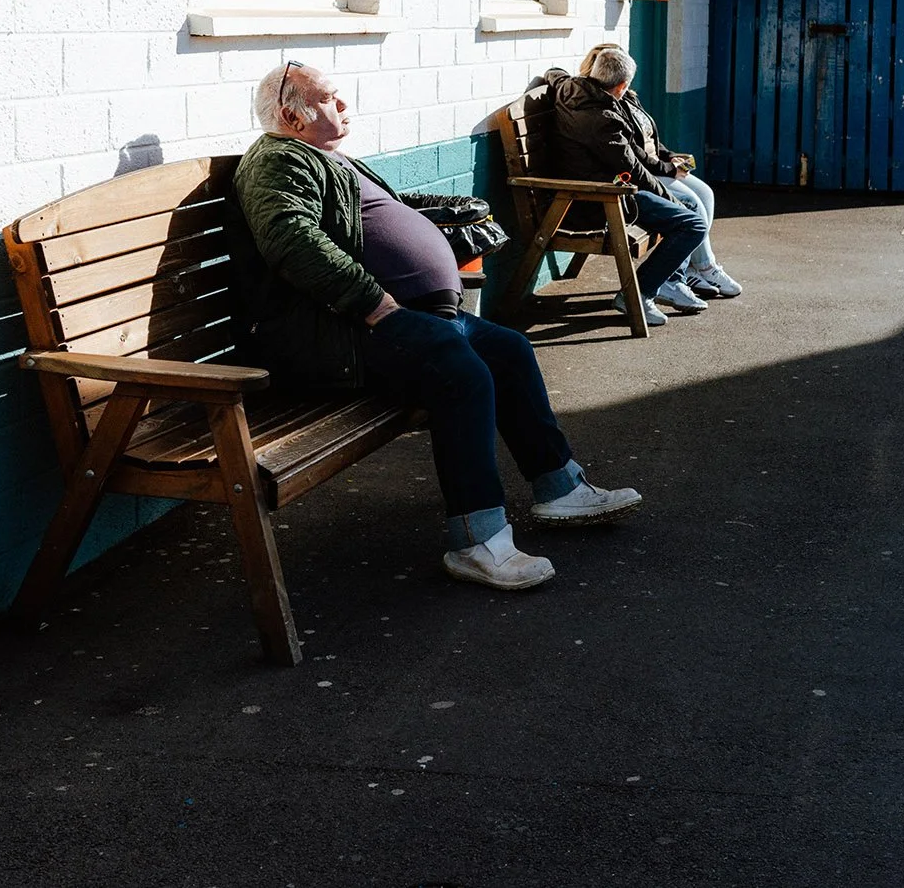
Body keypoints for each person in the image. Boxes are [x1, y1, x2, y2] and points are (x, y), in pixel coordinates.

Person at [225, 61, 642, 593]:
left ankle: (559, 488)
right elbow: (292, 241)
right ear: (292, 114)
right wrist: (375, 304)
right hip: (337, 332)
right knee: (459, 372)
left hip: (398, 317)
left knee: (509, 349)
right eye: (331, 98)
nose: (344, 105)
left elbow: (377, 214)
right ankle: (476, 540)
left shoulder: (323, 156)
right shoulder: (277, 161)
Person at [541, 50, 709, 327]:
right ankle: (638, 294)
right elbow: (634, 171)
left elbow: (554, 72)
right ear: (621, 85)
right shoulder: (604, 119)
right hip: (599, 200)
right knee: (692, 224)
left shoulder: (570, 88)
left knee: (690, 207)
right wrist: (667, 195)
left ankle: (669, 280)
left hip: (602, 188)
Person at [578, 44, 742, 304]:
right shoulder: (606, 109)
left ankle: (694, 269)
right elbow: (632, 157)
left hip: (651, 167)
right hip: (639, 177)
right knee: (692, 205)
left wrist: (668, 156)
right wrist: (666, 169)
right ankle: (685, 273)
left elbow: (649, 140)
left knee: (705, 193)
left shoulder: (627, 98)